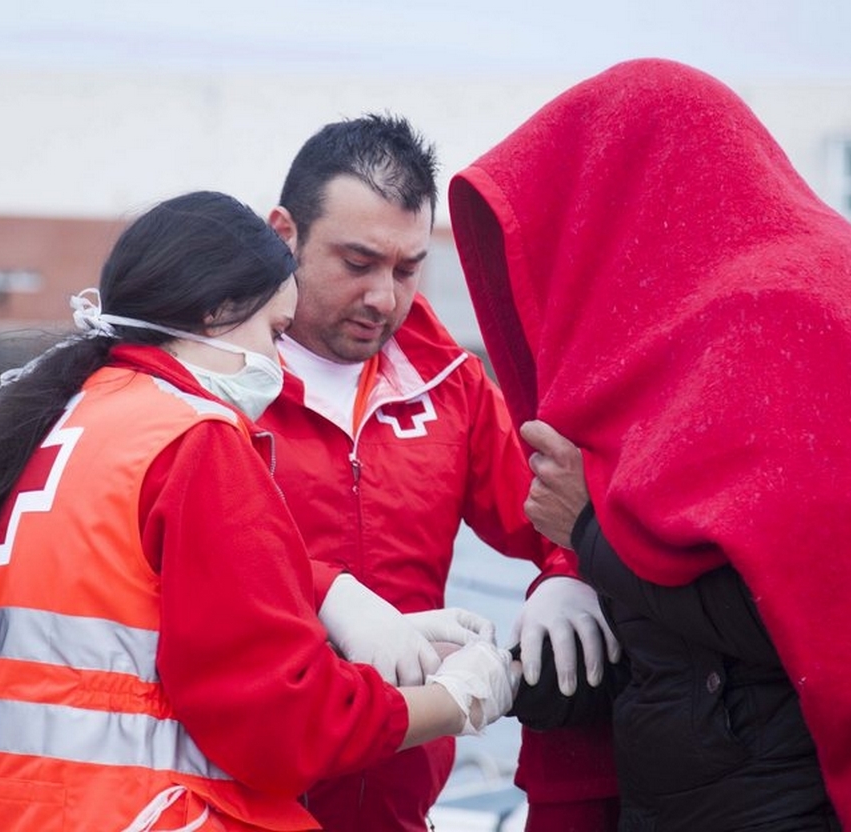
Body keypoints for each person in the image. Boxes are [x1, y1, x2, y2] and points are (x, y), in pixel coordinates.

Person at [448, 59, 851, 831]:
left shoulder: (784, 316)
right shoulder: (737, 315)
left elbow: (810, 617)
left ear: (630, 193)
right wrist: (562, 596)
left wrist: (589, 536)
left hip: (780, 802)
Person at [0, 190, 517, 831]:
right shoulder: (194, 439)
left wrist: (323, 596)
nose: (275, 362)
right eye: (275, 332)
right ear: (217, 312)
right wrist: (452, 701)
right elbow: (281, 730)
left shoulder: (67, 419)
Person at [257, 113, 623, 831]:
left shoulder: (449, 384)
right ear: (284, 236)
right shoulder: (215, 385)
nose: (384, 298)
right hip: (246, 800)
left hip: (400, 796)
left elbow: (550, 509)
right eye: (358, 263)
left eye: (406, 267)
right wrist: (326, 594)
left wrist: (568, 575)